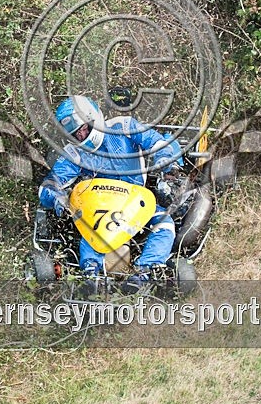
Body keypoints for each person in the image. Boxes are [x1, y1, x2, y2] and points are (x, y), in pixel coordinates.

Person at [38, 95, 178, 291]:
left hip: (137, 204)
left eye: (84, 129)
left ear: (94, 118)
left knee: (165, 221)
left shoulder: (123, 127)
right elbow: (49, 184)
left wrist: (165, 162)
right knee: (87, 226)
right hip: (98, 209)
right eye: (76, 134)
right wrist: (56, 197)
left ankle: (144, 272)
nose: (82, 136)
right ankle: (91, 276)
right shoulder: (74, 153)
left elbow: (156, 141)